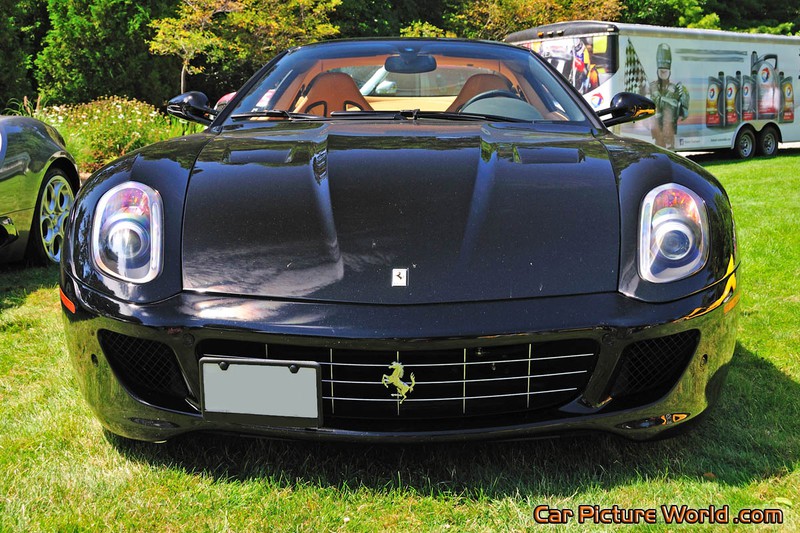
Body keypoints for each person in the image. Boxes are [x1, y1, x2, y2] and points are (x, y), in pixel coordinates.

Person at [647, 44, 689, 149]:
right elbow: (656, 101)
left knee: (670, 149)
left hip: (670, 129)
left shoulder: (676, 88)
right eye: (661, 69)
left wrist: (683, 98)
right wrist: (670, 100)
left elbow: (684, 113)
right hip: (656, 129)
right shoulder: (652, 86)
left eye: (666, 69)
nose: (663, 71)